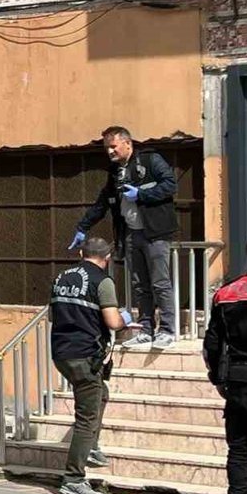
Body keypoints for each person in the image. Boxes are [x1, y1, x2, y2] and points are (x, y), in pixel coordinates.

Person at [69, 125, 178, 350]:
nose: (110, 151)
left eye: (113, 146)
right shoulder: (115, 171)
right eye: (106, 148)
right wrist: (82, 227)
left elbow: (170, 185)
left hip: (155, 233)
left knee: (160, 282)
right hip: (131, 233)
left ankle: (167, 330)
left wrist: (142, 194)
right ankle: (146, 329)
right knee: (140, 285)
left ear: (127, 143)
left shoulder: (150, 160)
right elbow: (102, 203)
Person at [50, 236, 131, 494]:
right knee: (86, 418)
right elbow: (113, 321)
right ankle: (73, 478)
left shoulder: (62, 277)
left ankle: (91, 447)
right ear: (107, 258)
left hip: (61, 353)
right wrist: (125, 318)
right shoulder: (102, 281)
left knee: (100, 394)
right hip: (84, 355)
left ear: (81, 254)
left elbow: (53, 315)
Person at [203, 239, 247, 494]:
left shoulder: (226, 293)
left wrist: (218, 378)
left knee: (240, 449)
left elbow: (212, 344)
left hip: (238, 380)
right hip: (237, 377)